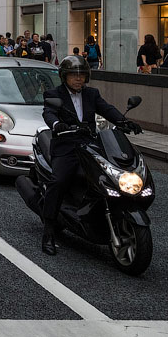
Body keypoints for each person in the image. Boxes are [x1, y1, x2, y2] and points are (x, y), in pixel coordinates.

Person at [40, 55, 140, 255]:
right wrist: (57, 125)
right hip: (66, 147)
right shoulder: (55, 94)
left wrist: (123, 121)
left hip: (89, 146)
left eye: (82, 75)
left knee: (110, 177)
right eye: (74, 75)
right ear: (64, 76)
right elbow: (48, 112)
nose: (78, 79)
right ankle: (49, 232)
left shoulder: (91, 94)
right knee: (58, 182)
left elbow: (106, 109)